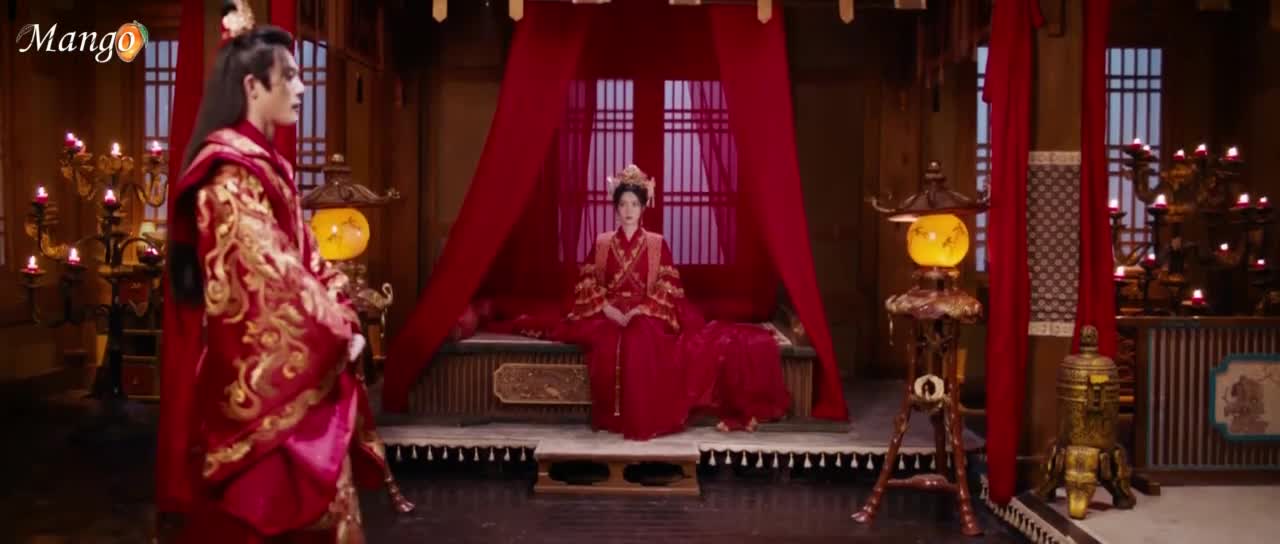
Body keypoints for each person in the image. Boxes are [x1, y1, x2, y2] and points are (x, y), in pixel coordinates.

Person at [155, 22, 411, 543]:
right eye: (289, 76)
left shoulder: (272, 169)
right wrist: (336, 327)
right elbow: (268, 274)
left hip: (300, 375)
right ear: (253, 86)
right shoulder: (225, 180)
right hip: (259, 388)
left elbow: (310, 258)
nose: (301, 87)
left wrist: (342, 309)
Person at [553, 165, 692, 440]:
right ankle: (610, 417)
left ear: (643, 208)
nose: (629, 210)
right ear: (616, 208)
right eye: (623, 204)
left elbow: (667, 285)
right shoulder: (603, 242)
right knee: (607, 339)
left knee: (639, 337)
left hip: (646, 310)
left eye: (635, 204)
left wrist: (642, 309)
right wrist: (607, 308)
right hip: (609, 309)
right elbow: (588, 281)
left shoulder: (656, 243)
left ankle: (640, 416)